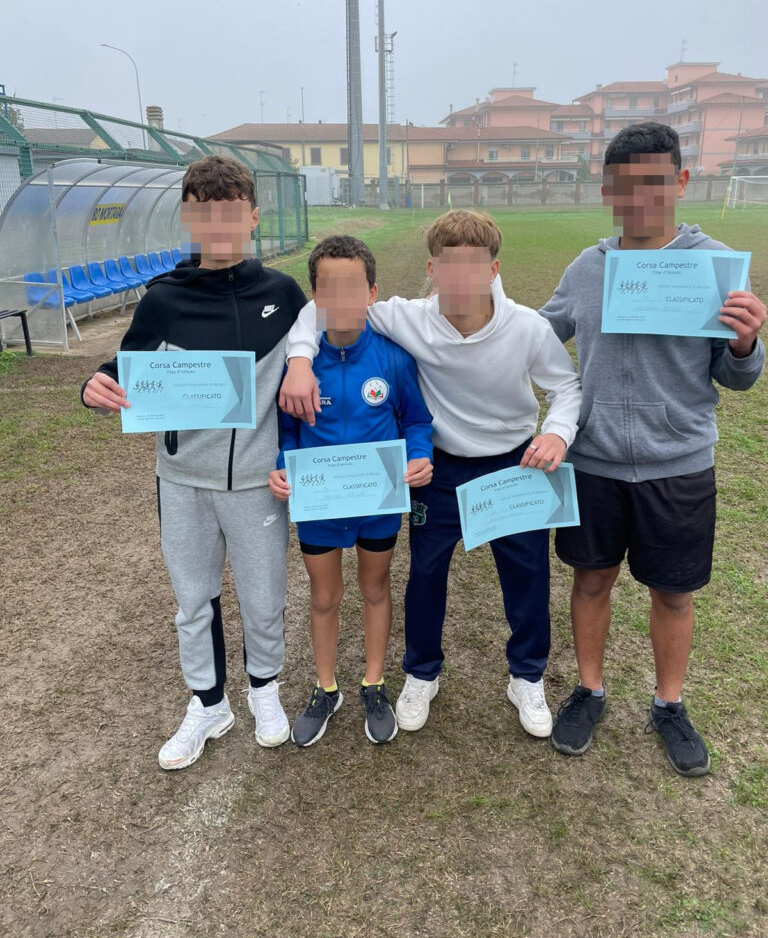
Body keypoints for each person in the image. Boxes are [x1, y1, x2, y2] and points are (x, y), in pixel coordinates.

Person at [279, 210, 582, 739]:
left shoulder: (528, 327)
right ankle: (421, 673)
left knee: (527, 574)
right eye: (449, 266)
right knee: (425, 574)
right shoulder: (406, 317)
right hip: (438, 467)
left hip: (513, 461)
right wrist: (301, 360)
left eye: (474, 265)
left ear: (494, 269)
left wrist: (556, 433)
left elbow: (567, 386)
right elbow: (321, 307)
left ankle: (526, 676)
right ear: (432, 270)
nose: (461, 278)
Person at [539, 122, 766, 776]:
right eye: (625, 185)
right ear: (607, 189)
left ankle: (669, 704)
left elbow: (737, 377)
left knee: (673, 592)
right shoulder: (587, 268)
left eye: (655, 183)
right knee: (591, 579)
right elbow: (537, 337)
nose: (639, 198)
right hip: (595, 462)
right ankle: (589, 690)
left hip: (679, 464)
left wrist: (746, 343)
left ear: (681, 181)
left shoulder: (714, 267)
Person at [81, 155, 307, 770]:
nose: (218, 224)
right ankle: (209, 704)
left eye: (231, 212)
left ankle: (264, 690)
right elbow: (124, 370)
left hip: (259, 483)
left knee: (264, 598)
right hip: (182, 481)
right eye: (204, 212)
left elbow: (322, 346)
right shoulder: (163, 299)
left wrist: (304, 365)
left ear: (253, 217)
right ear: (187, 217)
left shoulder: (284, 295)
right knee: (193, 600)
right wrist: (94, 386)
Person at [269, 235, 433, 746]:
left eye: (352, 287)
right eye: (328, 288)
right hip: (319, 504)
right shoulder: (298, 364)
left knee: (375, 588)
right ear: (314, 297)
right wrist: (282, 467)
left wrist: (419, 454)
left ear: (372, 293)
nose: (340, 299)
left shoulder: (392, 358)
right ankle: (325, 688)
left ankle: (374, 682)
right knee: (324, 596)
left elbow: (417, 420)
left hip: (377, 503)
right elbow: (287, 431)